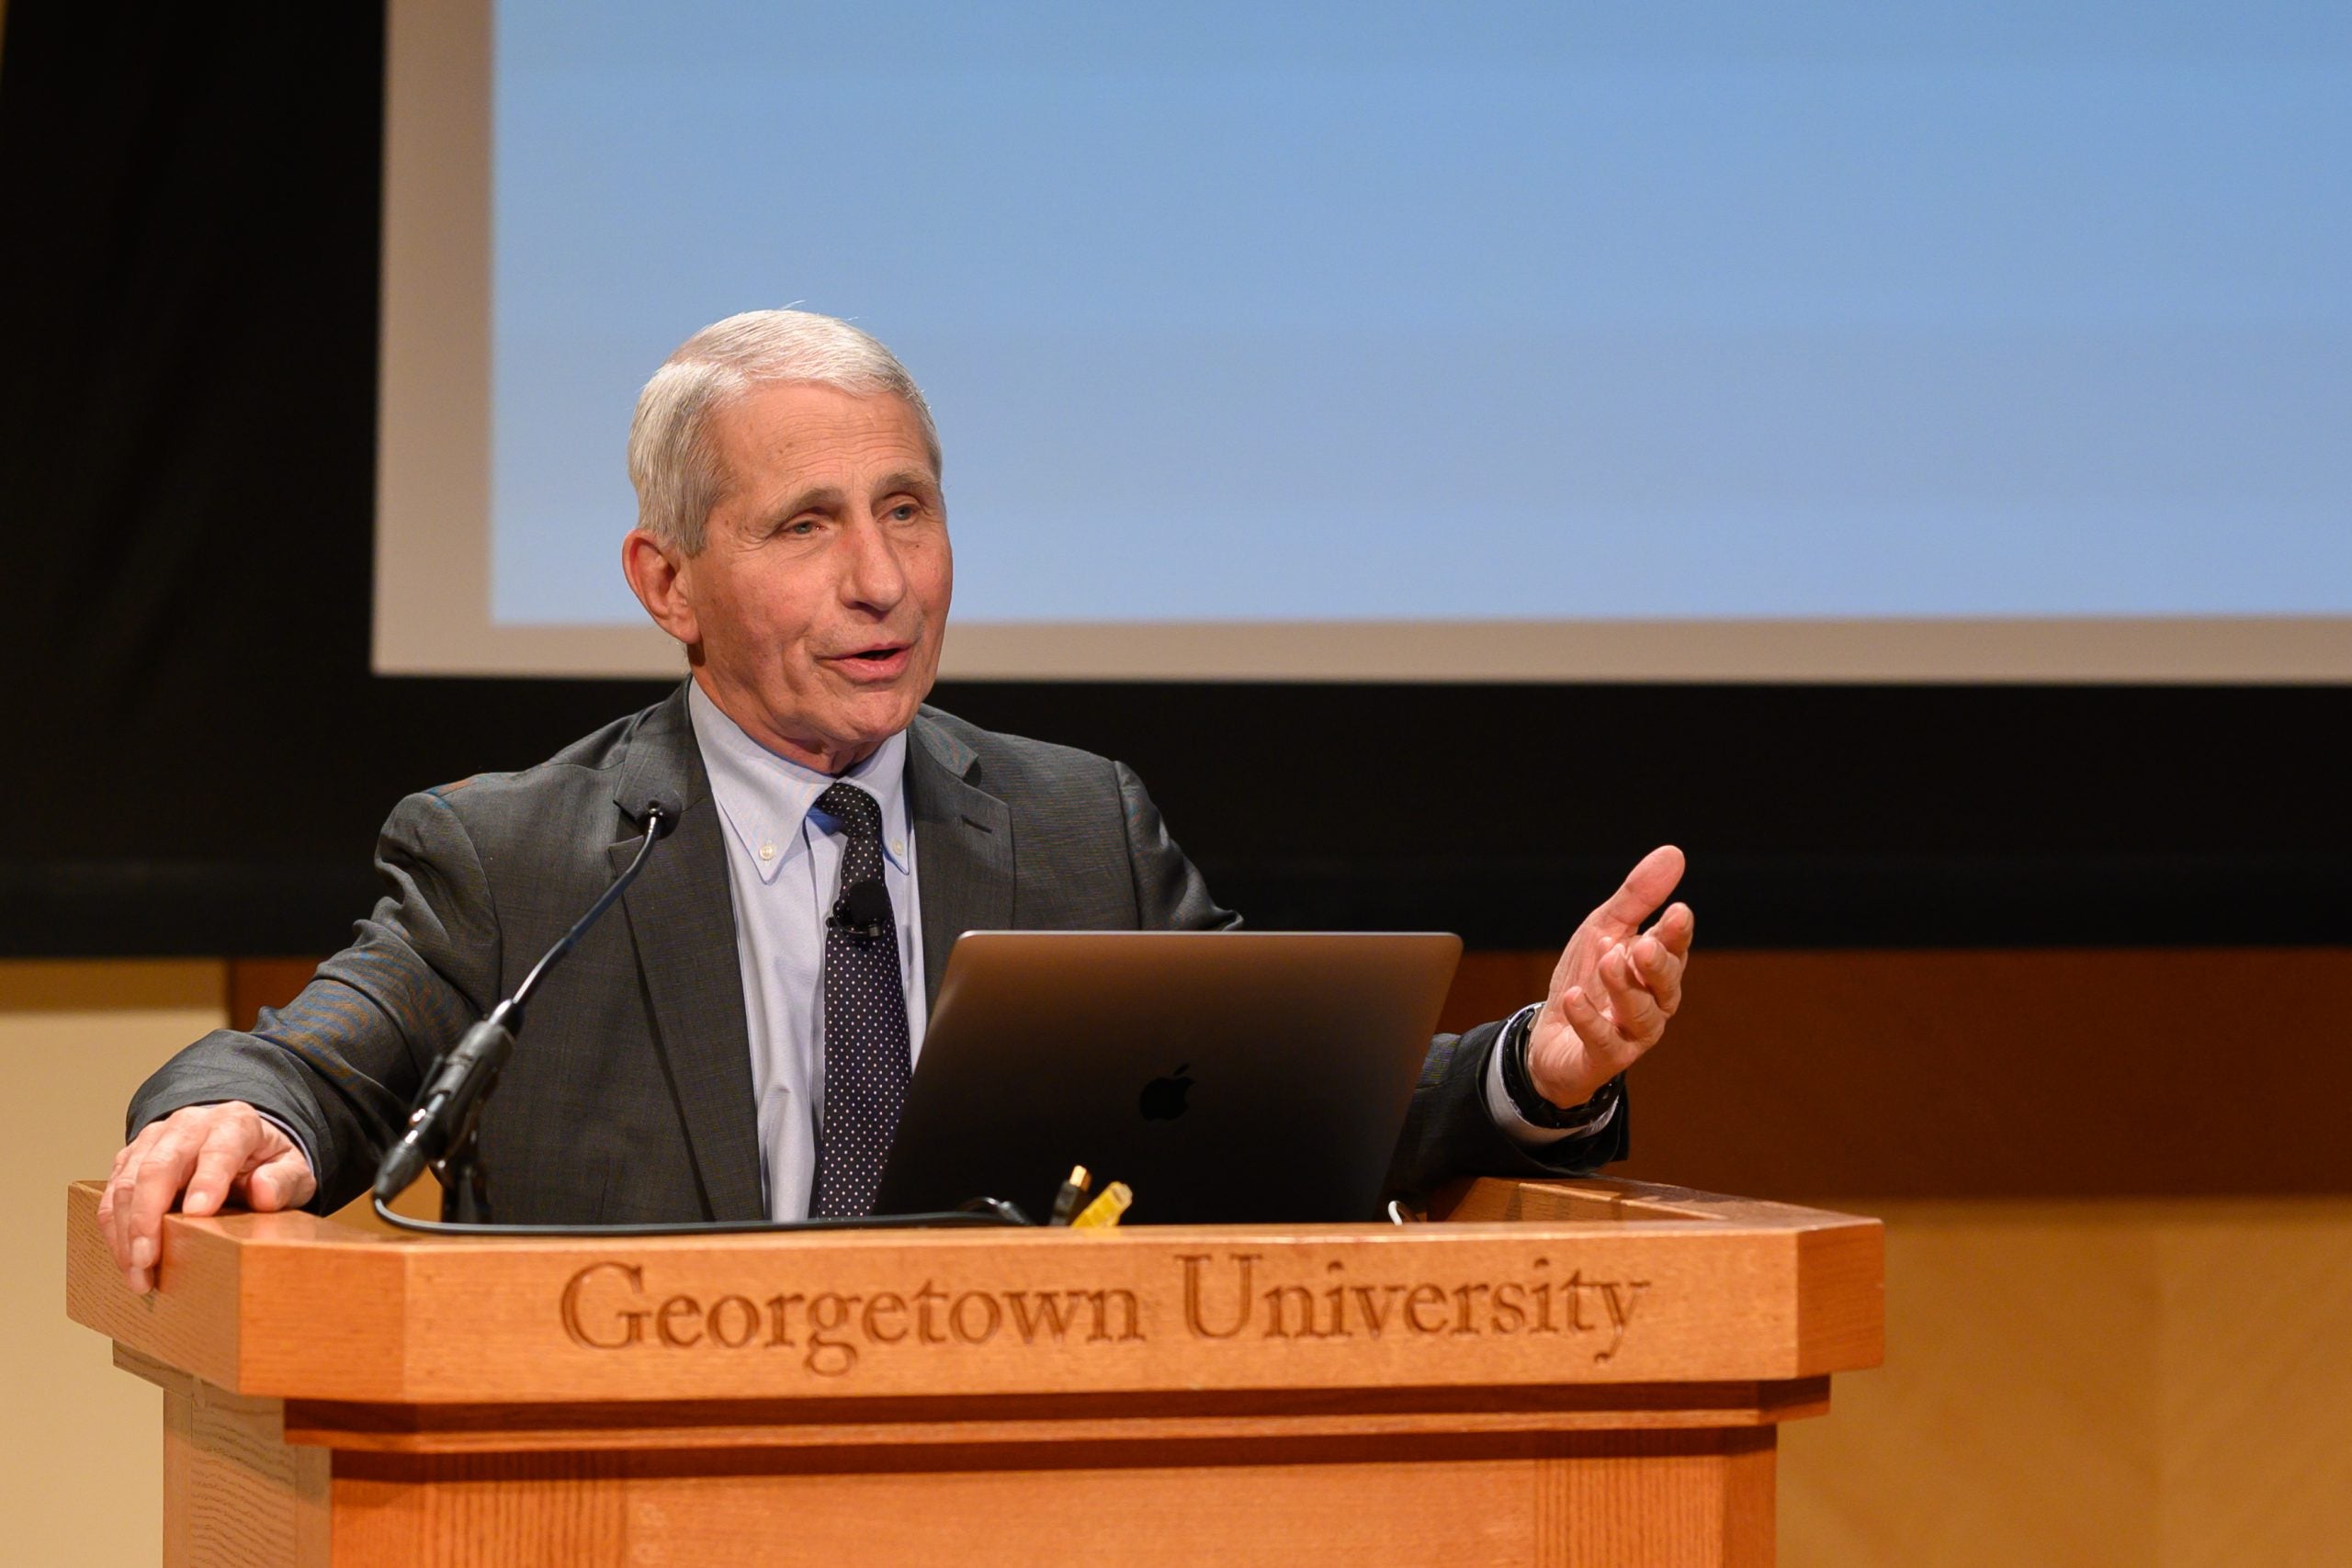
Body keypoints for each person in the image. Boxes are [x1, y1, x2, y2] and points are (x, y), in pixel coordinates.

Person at [97, 310, 1693, 1291]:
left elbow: (1288, 1113)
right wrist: (231, 1115)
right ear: (669, 582)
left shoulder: (1080, 827)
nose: (881, 581)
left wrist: (1537, 1070)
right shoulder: (516, 856)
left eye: (908, 510)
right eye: (806, 526)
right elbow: (312, 1061)